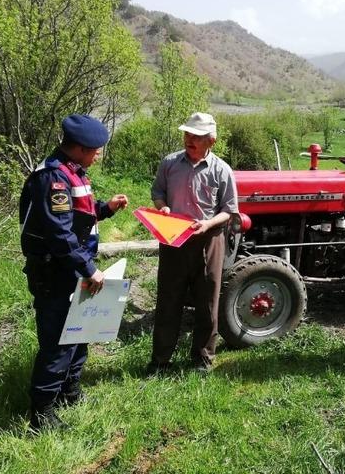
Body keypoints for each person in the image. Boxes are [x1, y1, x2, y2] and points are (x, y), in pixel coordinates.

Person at [19, 114, 129, 431]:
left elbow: (77, 217)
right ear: (79, 148)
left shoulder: (72, 172)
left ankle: (70, 394)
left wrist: (106, 208)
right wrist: (90, 270)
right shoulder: (52, 178)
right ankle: (41, 416)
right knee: (57, 345)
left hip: (72, 271)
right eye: (96, 150)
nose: (98, 155)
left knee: (80, 335)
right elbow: (60, 236)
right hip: (55, 274)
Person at [147, 112, 238, 374]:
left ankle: (202, 359)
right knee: (168, 299)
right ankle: (161, 360)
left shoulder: (222, 170)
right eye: (187, 134)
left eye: (196, 136)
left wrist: (208, 224)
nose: (190, 140)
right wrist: (162, 208)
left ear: (211, 140)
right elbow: (158, 192)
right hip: (173, 238)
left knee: (207, 301)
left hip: (208, 240)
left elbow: (229, 210)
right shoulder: (169, 163)